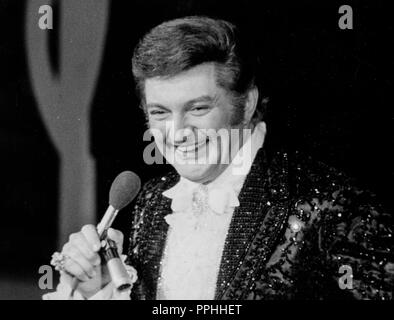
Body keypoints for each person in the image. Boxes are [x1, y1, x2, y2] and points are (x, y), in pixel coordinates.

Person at [44, 16, 394, 300]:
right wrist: (101, 288)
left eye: (198, 108)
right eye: (161, 112)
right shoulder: (154, 201)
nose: (178, 131)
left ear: (247, 104)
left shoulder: (337, 207)